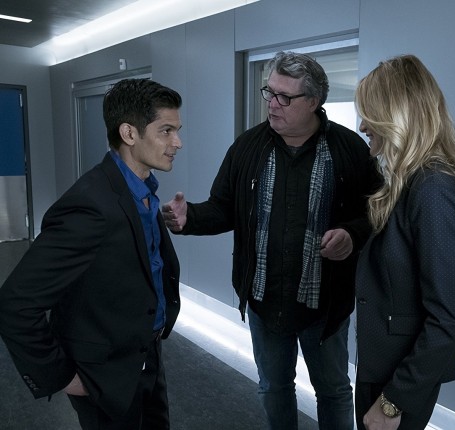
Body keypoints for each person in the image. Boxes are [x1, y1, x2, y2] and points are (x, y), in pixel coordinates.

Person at [162, 51, 380, 430]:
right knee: (274, 387)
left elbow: (376, 211)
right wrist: (189, 218)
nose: (272, 104)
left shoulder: (349, 150)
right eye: (269, 92)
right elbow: (223, 208)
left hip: (324, 304)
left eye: (285, 97)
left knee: (332, 390)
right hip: (264, 299)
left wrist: (352, 234)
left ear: (313, 101)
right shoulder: (247, 147)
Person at [0, 78, 183, 429]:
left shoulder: (144, 190)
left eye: (177, 131)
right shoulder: (90, 205)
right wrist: (62, 376)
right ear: (129, 133)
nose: (177, 142)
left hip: (145, 355)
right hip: (105, 375)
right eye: (166, 131)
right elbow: (15, 303)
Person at [353, 54, 455, 430]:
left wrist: (392, 402)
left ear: (396, 115)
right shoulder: (415, 179)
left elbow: (448, 316)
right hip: (387, 363)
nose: (363, 125)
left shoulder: (433, 187)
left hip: (399, 378)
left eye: (370, 114)